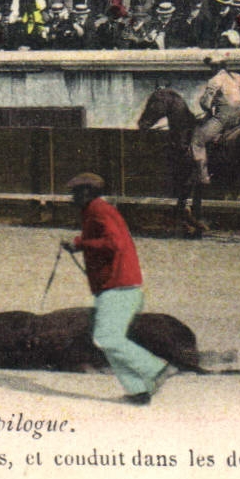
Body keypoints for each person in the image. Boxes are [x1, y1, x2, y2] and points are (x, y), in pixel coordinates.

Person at [60, 173, 172, 406]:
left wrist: (80, 244)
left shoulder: (98, 210)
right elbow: (109, 240)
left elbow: (115, 243)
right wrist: (79, 244)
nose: (72, 197)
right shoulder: (97, 210)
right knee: (111, 340)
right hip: (117, 285)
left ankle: (156, 369)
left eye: (76, 193)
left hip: (118, 285)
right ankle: (137, 392)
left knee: (105, 337)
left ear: (88, 193)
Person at [189, 54, 240, 185]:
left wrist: (210, 108)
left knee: (197, 140)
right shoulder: (237, 77)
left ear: (215, 67)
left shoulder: (215, 80)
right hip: (239, 118)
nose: (211, 69)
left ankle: (203, 176)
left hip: (223, 119)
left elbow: (205, 104)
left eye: (212, 66)